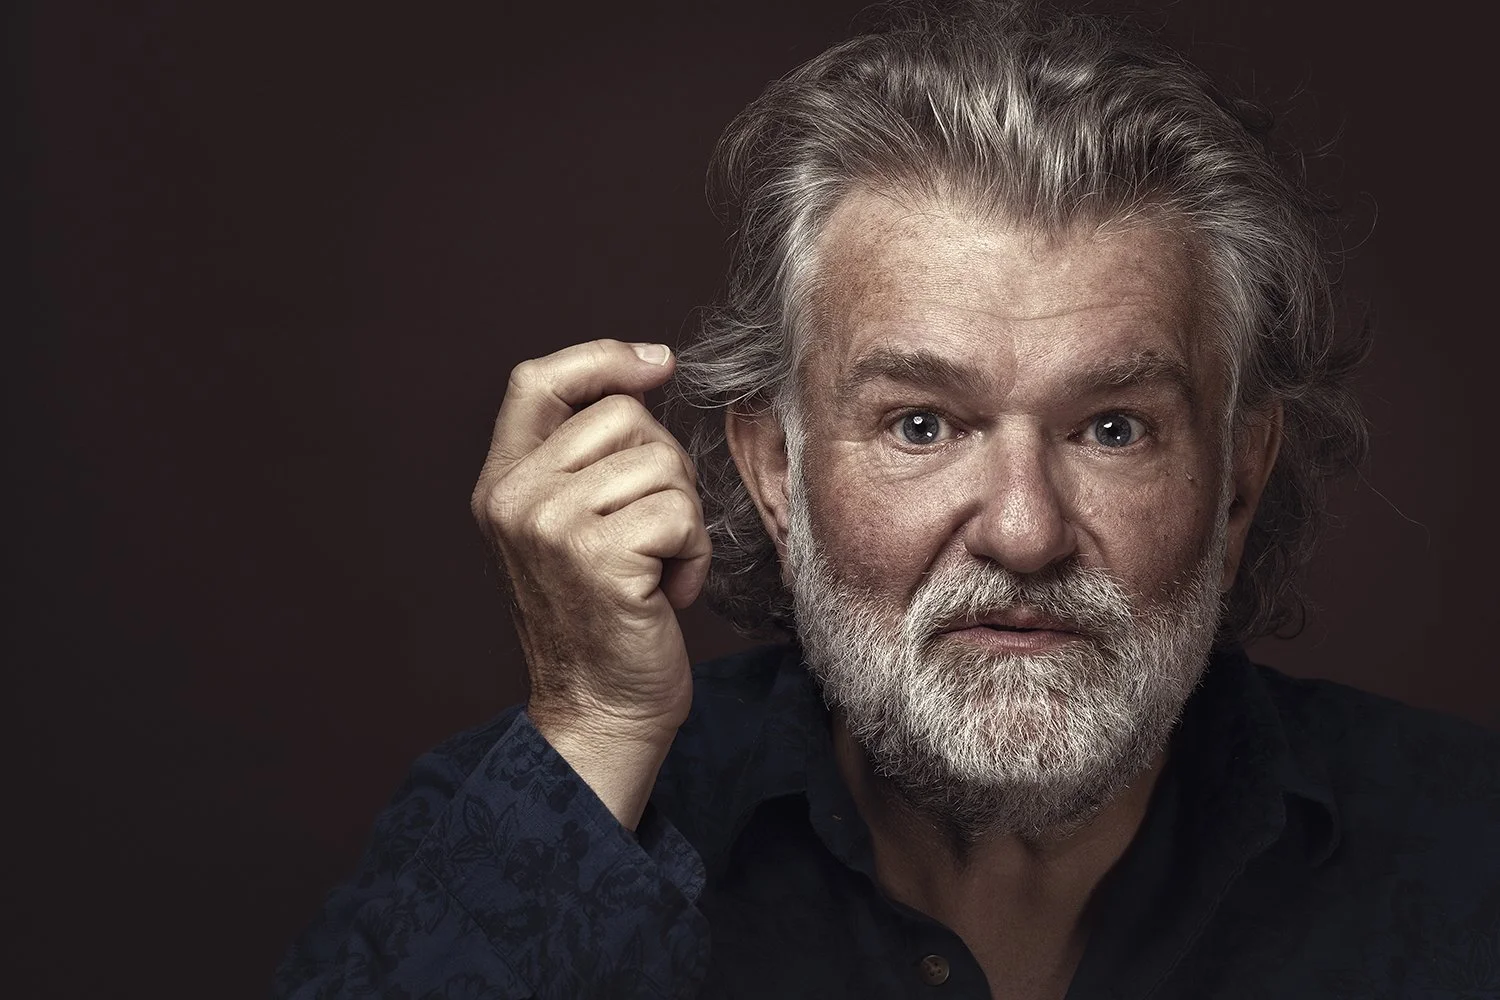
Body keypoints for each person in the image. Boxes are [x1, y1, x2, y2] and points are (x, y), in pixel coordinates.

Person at [274, 3, 1499, 998]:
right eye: (923, 424)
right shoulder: (546, 814)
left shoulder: (1467, 855)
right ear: (773, 472)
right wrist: (593, 724)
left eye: (1112, 427)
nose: (1024, 529)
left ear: (1235, 483)